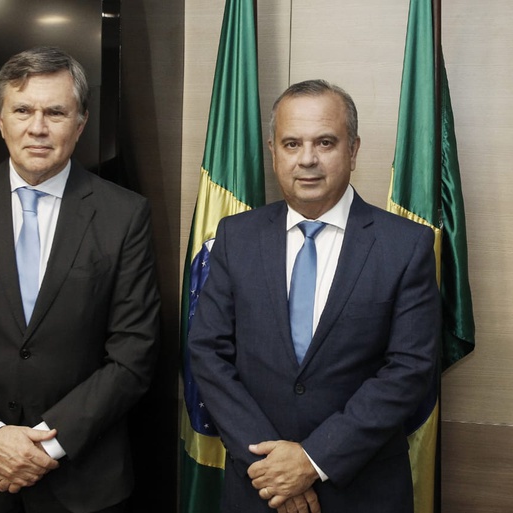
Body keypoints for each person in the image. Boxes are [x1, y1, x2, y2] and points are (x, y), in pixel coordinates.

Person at [0, 46, 160, 513]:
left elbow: (133, 354)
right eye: (22, 110)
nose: (37, 127)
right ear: (1, 120)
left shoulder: (125, 215)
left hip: (82, 479)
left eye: (55, 112)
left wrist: (45, 446)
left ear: (80, 123)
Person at [187, 79, 440, 513]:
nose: (307, 159)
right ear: (273, 151)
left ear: (353, 150)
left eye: (325, 142)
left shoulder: (406, 246)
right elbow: (208, 353)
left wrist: (312, 460)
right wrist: (271, 467)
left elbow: (410, 370)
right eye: (292, 144)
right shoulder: (235, 237)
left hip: (363, 490)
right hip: (258, 486)